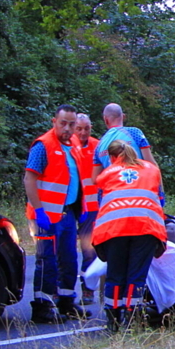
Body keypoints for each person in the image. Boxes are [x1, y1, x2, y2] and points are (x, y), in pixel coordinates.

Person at [24, 104, 89, 323]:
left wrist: (82, 209)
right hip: (45, 215)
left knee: (69, 259)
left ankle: (66, 303)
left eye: (72, 124)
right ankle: (41, 308)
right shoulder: (43, 146)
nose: (68, 129)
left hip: (67, 212)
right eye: (63, 123)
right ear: (54, 122)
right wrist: (39, 211)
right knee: (46, 260)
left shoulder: (74, 147)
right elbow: (29, 179)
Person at [93, 140, 167, 331]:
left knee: (115, 276)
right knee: (136, 276)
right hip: (145, 228)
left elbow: (101, 201)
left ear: (111, 157)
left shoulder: (106, 174)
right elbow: (159, 198)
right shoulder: (151, 170)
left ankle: (113, 322)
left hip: (114, 229)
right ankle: (132, 320)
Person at [91, 103, 164, 206]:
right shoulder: (135, 133)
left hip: (115, 199)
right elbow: (152, 164)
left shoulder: (99, 146)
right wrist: (161, 194)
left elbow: (95, 179)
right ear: (123, 116)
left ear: (105, 119)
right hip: (142, 195)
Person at [74, 113, 100, 303]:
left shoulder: (98, 146)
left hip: (90, 207)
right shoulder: (67, 145)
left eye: (87, 128)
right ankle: (61, 290)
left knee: (89, 250)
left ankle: (88, 289)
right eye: (79, 128)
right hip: (68, 205)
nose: (83, 132)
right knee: (63, 251)